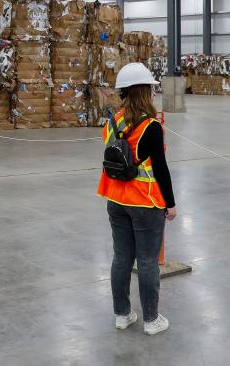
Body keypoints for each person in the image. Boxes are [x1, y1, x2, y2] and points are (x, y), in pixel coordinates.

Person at [98, 62, 177, 336]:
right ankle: (151, 320)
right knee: (146, 261)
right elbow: (161, 169)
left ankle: (122, 315)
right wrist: (170, 203)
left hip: (115, 200)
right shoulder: (151, 126)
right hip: (145, 203)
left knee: (121, 258)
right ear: (144, 91)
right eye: (152, 88)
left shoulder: (113, 121)